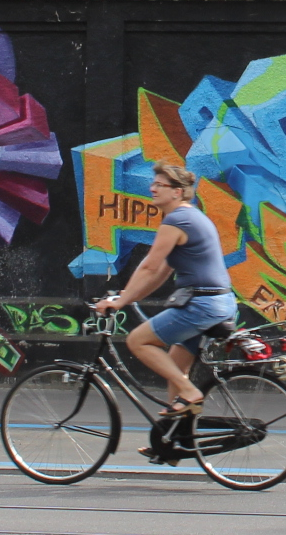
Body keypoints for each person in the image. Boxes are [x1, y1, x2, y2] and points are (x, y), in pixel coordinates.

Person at [93, 162, 237, 420]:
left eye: (160, 185)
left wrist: (121, 300)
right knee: (176, 367)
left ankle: (191, 393)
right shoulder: (191, 217)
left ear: (178, 192)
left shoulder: (178, 220)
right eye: (153, 184)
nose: (153, 189)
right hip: (218, 303)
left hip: (202, 305)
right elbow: (160, 274)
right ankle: (174, 441)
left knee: (137, 341)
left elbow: (149, 266)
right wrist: (125, 299)